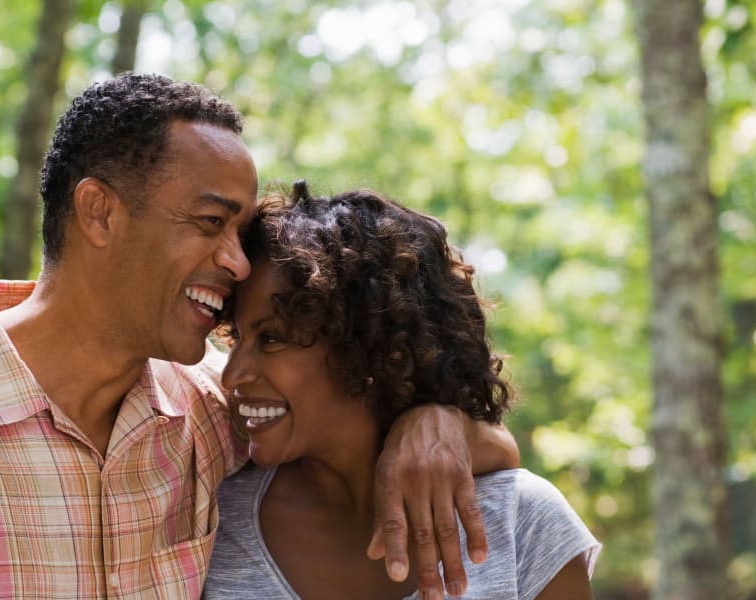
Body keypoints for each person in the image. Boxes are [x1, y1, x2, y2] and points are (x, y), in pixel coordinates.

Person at [0, 74, 518, 598]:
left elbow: (353, 423)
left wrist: (438, 422)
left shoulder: (205, 420)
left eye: (242, 232)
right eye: (211, 224)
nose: (237, 261)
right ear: (100, 212)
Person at [203, 183, 601, 599]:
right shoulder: (211, 518)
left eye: (271, 339)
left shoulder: (523, 522)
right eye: (236, 339)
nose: (232, 377)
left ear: (373, 349)